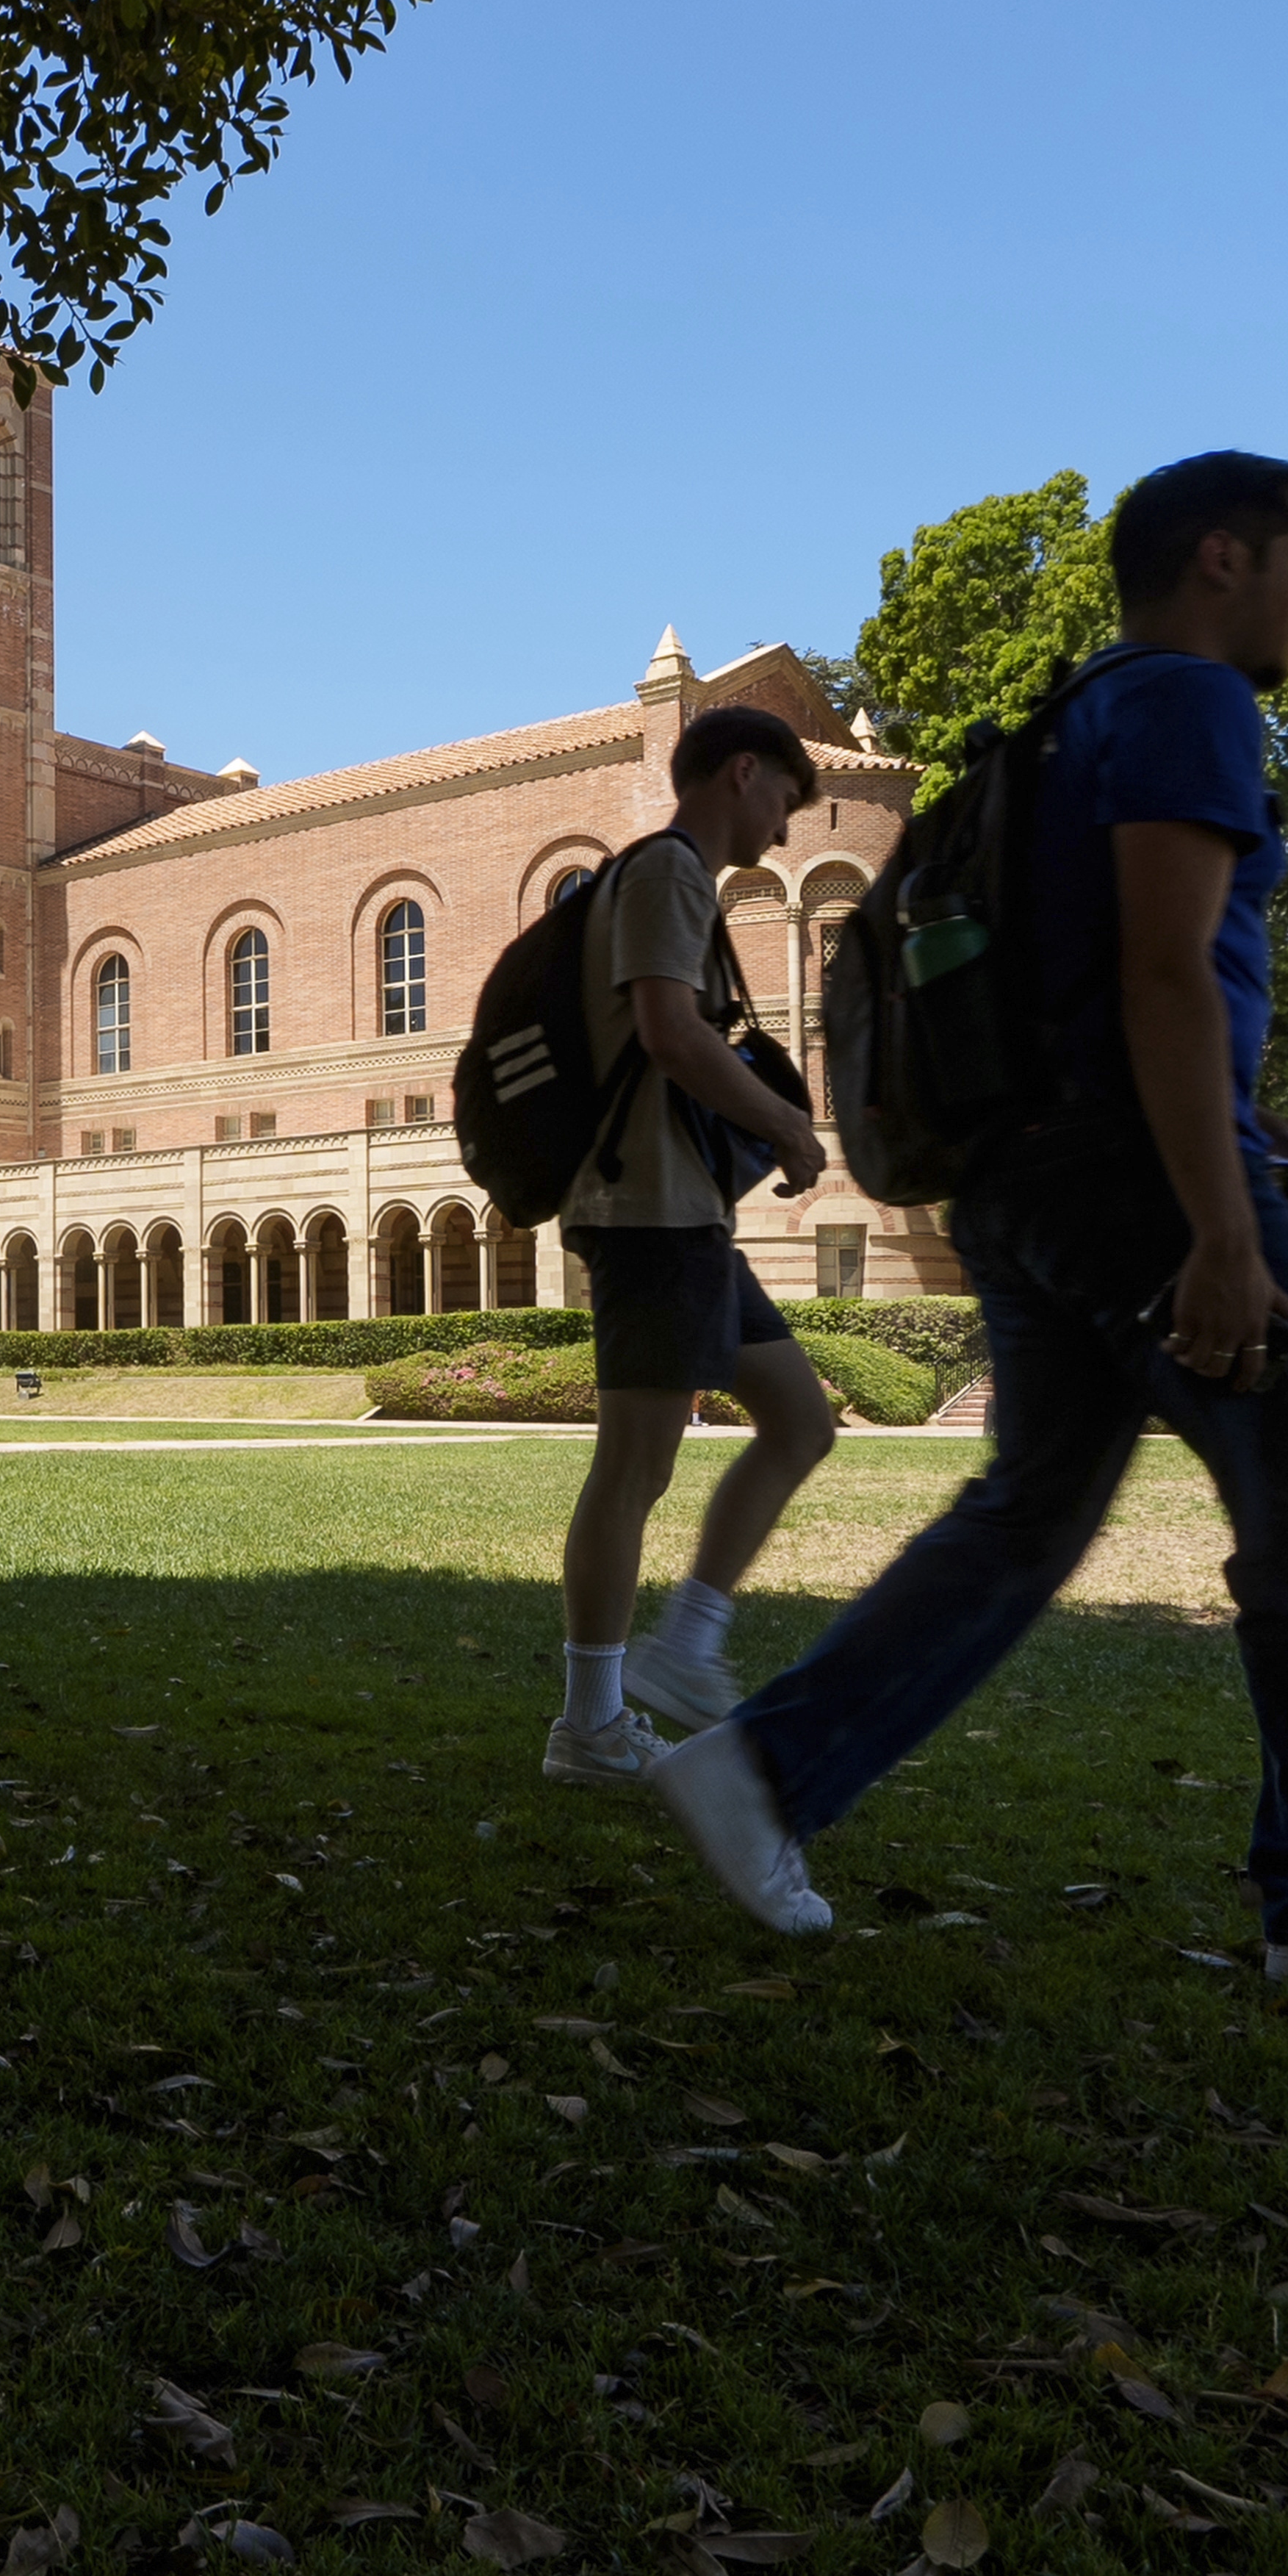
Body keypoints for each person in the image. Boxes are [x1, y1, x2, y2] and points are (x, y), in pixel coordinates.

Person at [652, 453, 1288, 1992]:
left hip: (1020, 1179)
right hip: (1135, 1176)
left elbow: (1095, 978)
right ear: (1221, 558)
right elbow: (1163, 973)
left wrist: (1247, 1128)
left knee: (1028, 1513)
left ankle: (766, 1769)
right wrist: (1222, 1219)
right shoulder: (1191, 700)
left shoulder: (1067, 721)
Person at [536, 705, 838, 1787]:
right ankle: (591, 1724)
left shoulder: (676, 883)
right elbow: (669, 1032)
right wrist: (787, 1123)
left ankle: (687, 1643)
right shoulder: (666, 873)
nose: (788, 830)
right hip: (648, 1215)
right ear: (742, 773)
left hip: (688, 1218)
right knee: (635, 1468)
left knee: (801, 1421)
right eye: (784, 802)